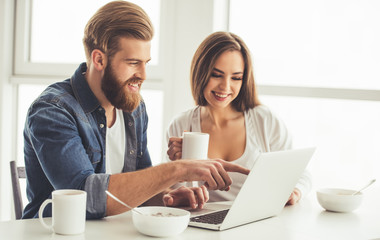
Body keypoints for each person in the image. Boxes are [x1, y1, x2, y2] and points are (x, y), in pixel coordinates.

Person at [22, 2, 250, 219]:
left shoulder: (133, 108)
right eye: (133, 63)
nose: (143, 74)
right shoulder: (52, 111)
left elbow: (141, 190)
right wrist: (179, 169)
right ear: (99, 59)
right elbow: (85, 199)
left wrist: (167, 198)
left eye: (146, 63)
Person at [166, 31, 311, 205]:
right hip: (201, 223)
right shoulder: (181, 124)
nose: (225, 86)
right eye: (217, 75)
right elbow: (174, 196)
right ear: (201, 72)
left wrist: (294, 192)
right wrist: (177, 168)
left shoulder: (264, 120)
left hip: (254, 220)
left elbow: (300, 173)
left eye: (236, 78)